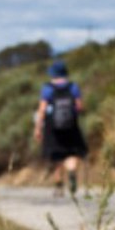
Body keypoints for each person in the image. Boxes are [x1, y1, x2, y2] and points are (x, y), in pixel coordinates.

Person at [34, 60, 88, 197]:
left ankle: (59, 186)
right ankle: (71, 172)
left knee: (56, 156)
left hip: (52, 127)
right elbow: (80, 107)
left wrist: (38, 128)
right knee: (71, 152)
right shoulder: (73, 87)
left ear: (52, 74)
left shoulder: (47, 88)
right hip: (71, 125)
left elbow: (42, 110)